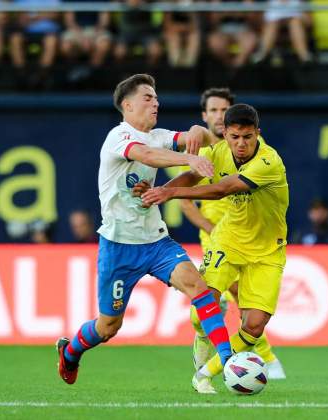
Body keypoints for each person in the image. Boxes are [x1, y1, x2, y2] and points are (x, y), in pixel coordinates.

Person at [55, 74, 233, 386]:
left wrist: (196, 131)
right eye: (148, 98)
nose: (156, 102)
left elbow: (203, 137)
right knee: (108, 326)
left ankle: (228, 362)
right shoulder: (118, 138)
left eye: (156, 98)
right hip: (119, 246)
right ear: (127, 105)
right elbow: (148, 156)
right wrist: (189, 157)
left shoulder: (160, 135)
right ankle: (70, 351)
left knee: (199, 289)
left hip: (156, 242)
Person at [142, 103, 289, 393]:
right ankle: (202, 341)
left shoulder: (269, 162)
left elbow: (223, 189)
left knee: (254, 326)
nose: (241, 144)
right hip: (228, 241)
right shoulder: (217, 152)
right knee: (203, 306)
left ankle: (206, 373)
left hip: (267, 251)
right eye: (235, 137)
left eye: (248, 137)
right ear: (225, 133)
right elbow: (192, 176)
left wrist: (170, 193)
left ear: (258, 134)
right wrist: (162, 187)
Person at [179, 88, 287, 380]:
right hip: (220, 236)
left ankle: (240, 360)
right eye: (212, 111)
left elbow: (225, 188)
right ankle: (238, 357)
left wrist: (168, 191)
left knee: (249, 313)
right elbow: (188, 195)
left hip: (258, 239)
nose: (216, 115)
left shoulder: (261, 157)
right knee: (209, 303)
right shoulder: (204, 149)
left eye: (221, 110)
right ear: (208, 118)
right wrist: (209, 227)